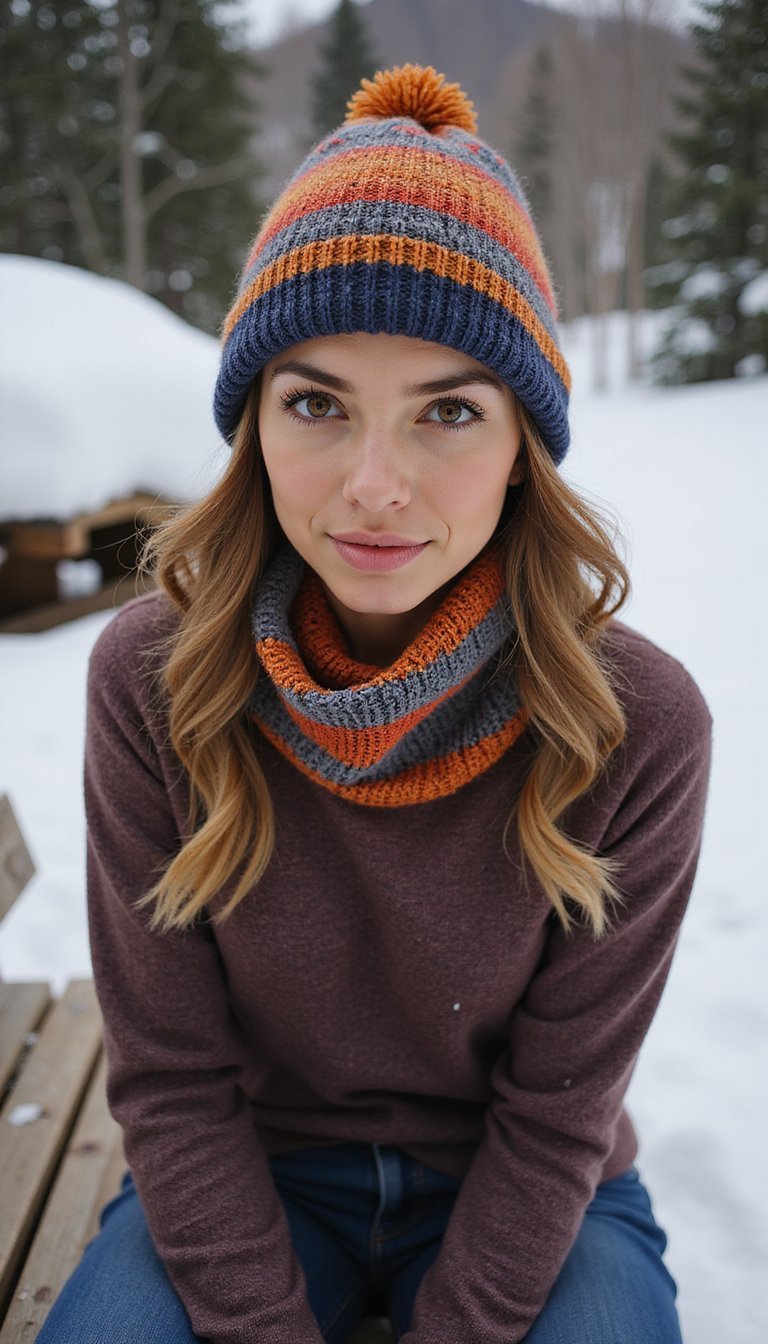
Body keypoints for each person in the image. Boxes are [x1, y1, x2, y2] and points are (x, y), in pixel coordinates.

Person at [38, 65, 712, 1344]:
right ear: (254, 427)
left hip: (530, 1192)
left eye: (448, 410)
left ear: (526, 445)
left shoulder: (635, 722)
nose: (375, 486)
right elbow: (173, 1082)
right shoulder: (155, 680)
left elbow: (561, 1108)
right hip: (249, 1172)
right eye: (317, 404)